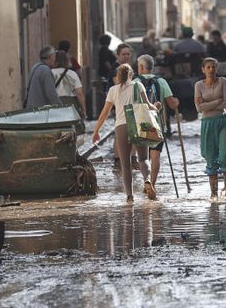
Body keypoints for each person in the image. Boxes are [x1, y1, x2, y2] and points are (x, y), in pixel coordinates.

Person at [91, 64, 155, 202]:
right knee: (143, 159)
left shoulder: (113, 90)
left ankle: (130, 196)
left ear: (118, 76)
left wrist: (96, 130)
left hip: (121, 126)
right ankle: (147, 179)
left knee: (125, 164)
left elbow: (105, 112)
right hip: (138, 124)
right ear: (131, 75)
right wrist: (158, 108)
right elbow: (148, 105)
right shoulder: (138, 86)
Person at [195, 57, 226, 198]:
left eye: (214, 67)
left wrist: (208, 104)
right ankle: (213, 193)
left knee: (224, 154)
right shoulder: (198, 85)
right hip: (207, 123)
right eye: (208, 67)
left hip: (222, 121)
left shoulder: (223, 81)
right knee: (210, 156)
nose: (211, 70)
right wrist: (217, 101)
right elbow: (199, 108)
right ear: (203, 69)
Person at [135, 54, 179, 194]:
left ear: (141, 67)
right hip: (157, 124)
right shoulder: (161, 81)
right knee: (155, 156)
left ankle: (145, 180)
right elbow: (171, 104)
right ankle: (152, 184)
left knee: (143, 157)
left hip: (139, 125)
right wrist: (176, 102)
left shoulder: (134, 82)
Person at [52, 50, 86, 117]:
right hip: (71, 104)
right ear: (67, 60)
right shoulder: (72, 74)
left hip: (54, 103)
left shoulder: (50, 73)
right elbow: (79, 93)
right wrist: (84, 110)